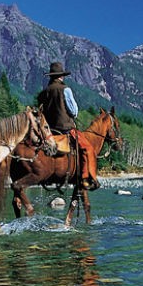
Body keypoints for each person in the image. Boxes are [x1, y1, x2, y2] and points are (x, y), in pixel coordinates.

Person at [36, 62, 99, 190]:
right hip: (65, 129)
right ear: (61, 76)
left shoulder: (44, 92)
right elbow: (74, 111)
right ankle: (86, 178)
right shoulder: (65, 89)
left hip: (49, 130)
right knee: (87, 148)